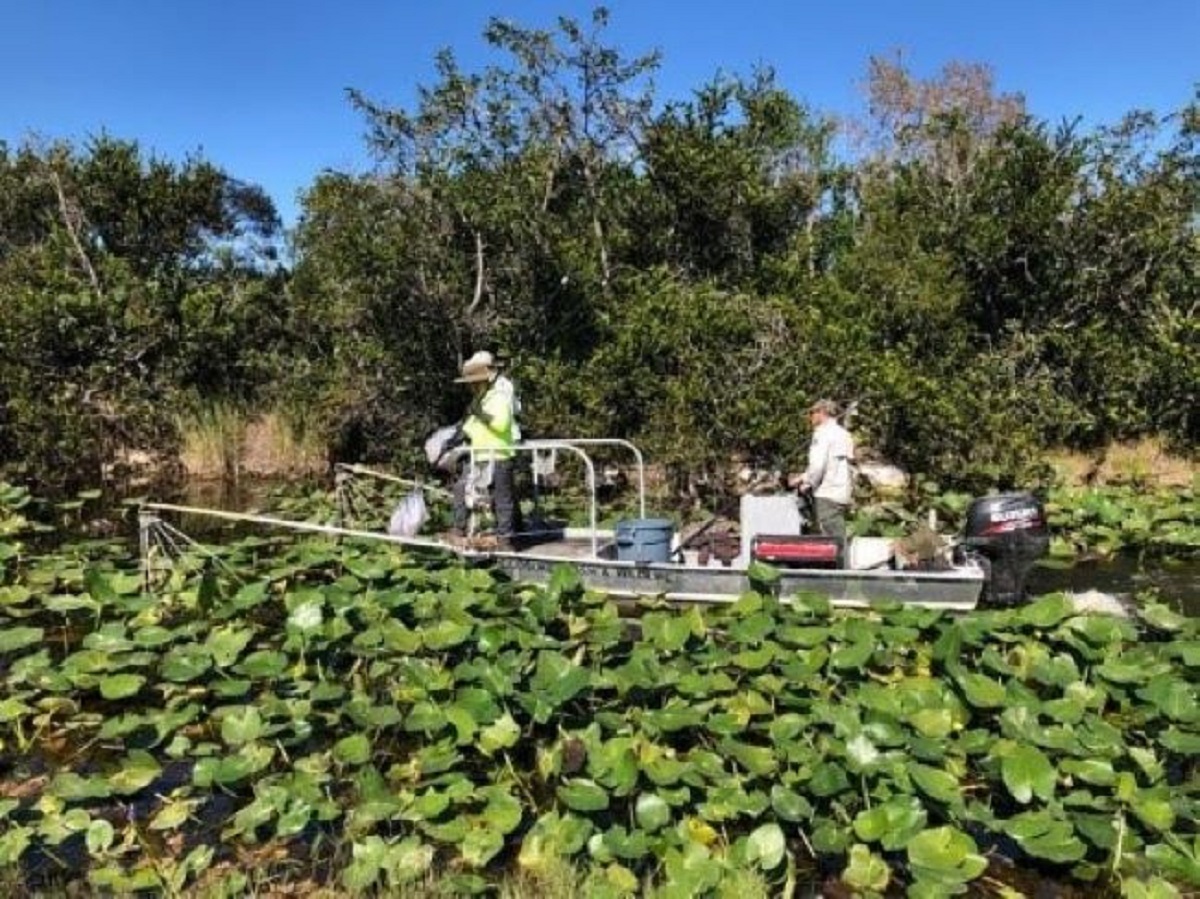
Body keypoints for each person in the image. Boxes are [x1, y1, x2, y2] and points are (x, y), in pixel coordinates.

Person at [448, 351, 521, 548]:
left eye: (474, 383)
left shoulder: (499, 396)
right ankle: (459, 529)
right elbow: (470, 425)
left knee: (502, 499)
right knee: (462, 488)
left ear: (483, 381)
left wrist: (481, 415)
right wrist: (455, 438)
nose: (471, 387)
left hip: (499, 455)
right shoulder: (481, 399)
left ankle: (505, 539)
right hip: (478, 456)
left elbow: (501, 424)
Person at [790, 398, 855, 539]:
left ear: (822, 412)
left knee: (831, 539)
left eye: (812, 413)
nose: (810, 417)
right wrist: (804, 477)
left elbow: (818, 465)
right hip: (841, 492)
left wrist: (806, 482)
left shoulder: (822, 434)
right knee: (837, 533)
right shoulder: (844, 434)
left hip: (827, 493)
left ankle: (840, 554)